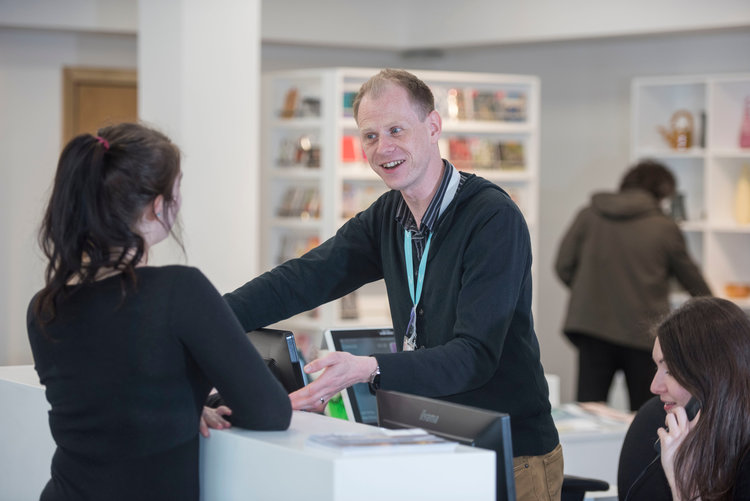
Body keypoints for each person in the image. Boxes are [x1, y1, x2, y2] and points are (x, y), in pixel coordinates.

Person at [224, 68, 562, 500]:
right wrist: (209, 319)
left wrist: (369, 368)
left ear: (434, 126)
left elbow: (474, 356)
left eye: (396, 130)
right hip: (429, 441)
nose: (383, 148)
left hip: (510, 454)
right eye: (370, 136)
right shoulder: (388, 217)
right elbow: (302, 279)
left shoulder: (492, 218)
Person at [27, 123, 292, 501]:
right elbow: (270, 412)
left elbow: (115, 397)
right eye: (178, 186)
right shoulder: (179, 290)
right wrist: (188, 407)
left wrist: (182, 407)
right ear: (158, 206)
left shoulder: (44, 307)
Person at [554, 159, 711, 411]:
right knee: (647, 414)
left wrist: (589, 291)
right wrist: (715, 310)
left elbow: (562, 265)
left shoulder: (589, 214)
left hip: (591, 327)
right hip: (643, 333)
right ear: (662, 192)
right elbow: (691, 280)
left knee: (588, 412)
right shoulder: (664, 228)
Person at [620, 296, 750, 501]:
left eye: (670, 370)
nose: (654, 387)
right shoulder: (652, 424)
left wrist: (685, 488)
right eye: (657, 367)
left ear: (712, 376)